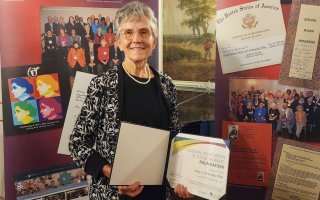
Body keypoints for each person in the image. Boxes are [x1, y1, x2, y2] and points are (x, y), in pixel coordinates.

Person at [69, 2, 192, 200]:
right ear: (118, 41)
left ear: (154, 40)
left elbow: (174, 139)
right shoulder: (102, 85)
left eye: (144, 32)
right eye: (128, 33)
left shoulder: (167, 85)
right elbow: (77, 143)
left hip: (158, 194)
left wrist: (184, 178)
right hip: (114, 193)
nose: (137, 39)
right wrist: (113, 173)